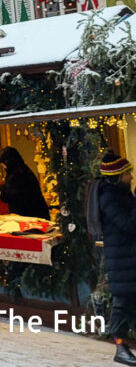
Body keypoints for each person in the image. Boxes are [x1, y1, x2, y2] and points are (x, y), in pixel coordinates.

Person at [96, 152, 136, 366]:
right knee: (121, 306)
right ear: (117, 176)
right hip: (123, 263)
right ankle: (120, 347)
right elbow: (129, 225)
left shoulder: (122, 194)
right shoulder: (109, 198)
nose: (131, 176)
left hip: (129, 260)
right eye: (127, 173)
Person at [0, 146, 50, 219]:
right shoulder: (18, 170)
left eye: (3, 163)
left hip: (32, 215)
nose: (3, 166)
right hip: (30, 213)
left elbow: (12, 192)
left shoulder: (20, 172)